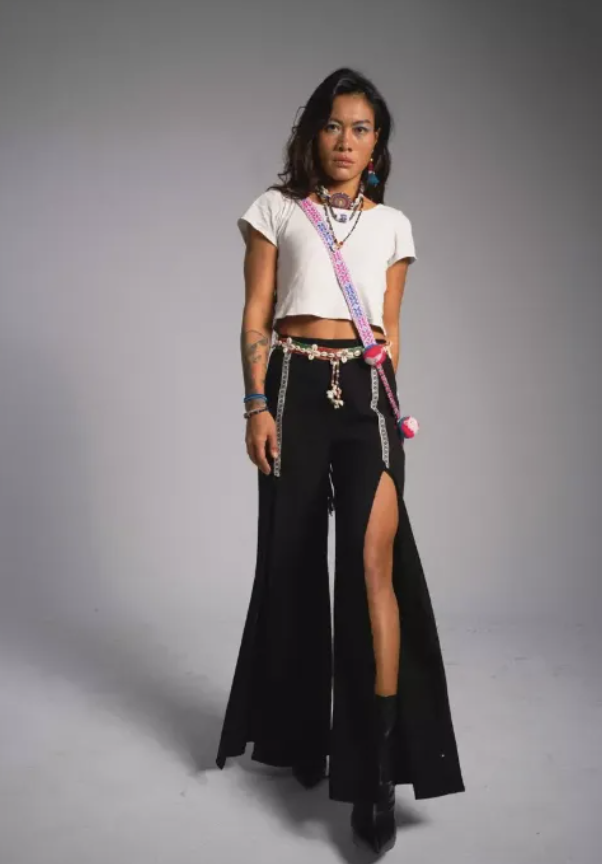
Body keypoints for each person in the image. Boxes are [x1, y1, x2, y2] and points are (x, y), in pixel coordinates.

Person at [215, 67, 465, 854]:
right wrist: (255, 404)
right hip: (291, 386)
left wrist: (384, 407)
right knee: (290, 562)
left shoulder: (394, 226)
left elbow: (390, 328)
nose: (346, 141)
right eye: (333, 125)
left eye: (361, 129)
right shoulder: (276, 210)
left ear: (378, 144)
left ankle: (376, 771)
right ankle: (300, 736)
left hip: (365, 398)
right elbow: (256, 314)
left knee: (371, 566)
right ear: (312, 134)